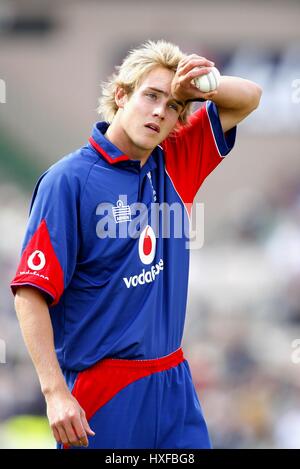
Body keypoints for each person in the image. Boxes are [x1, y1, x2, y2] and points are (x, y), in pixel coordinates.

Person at [11, 40, 262, 449]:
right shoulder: (69, 181)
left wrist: (201, 86)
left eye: (175, 106)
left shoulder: (175, 160)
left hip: (173, 382)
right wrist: (55, 393)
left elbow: (250, 97)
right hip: (104, 388)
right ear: (121, 94)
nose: (161, 112)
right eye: (152, 96)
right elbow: (29, 293)